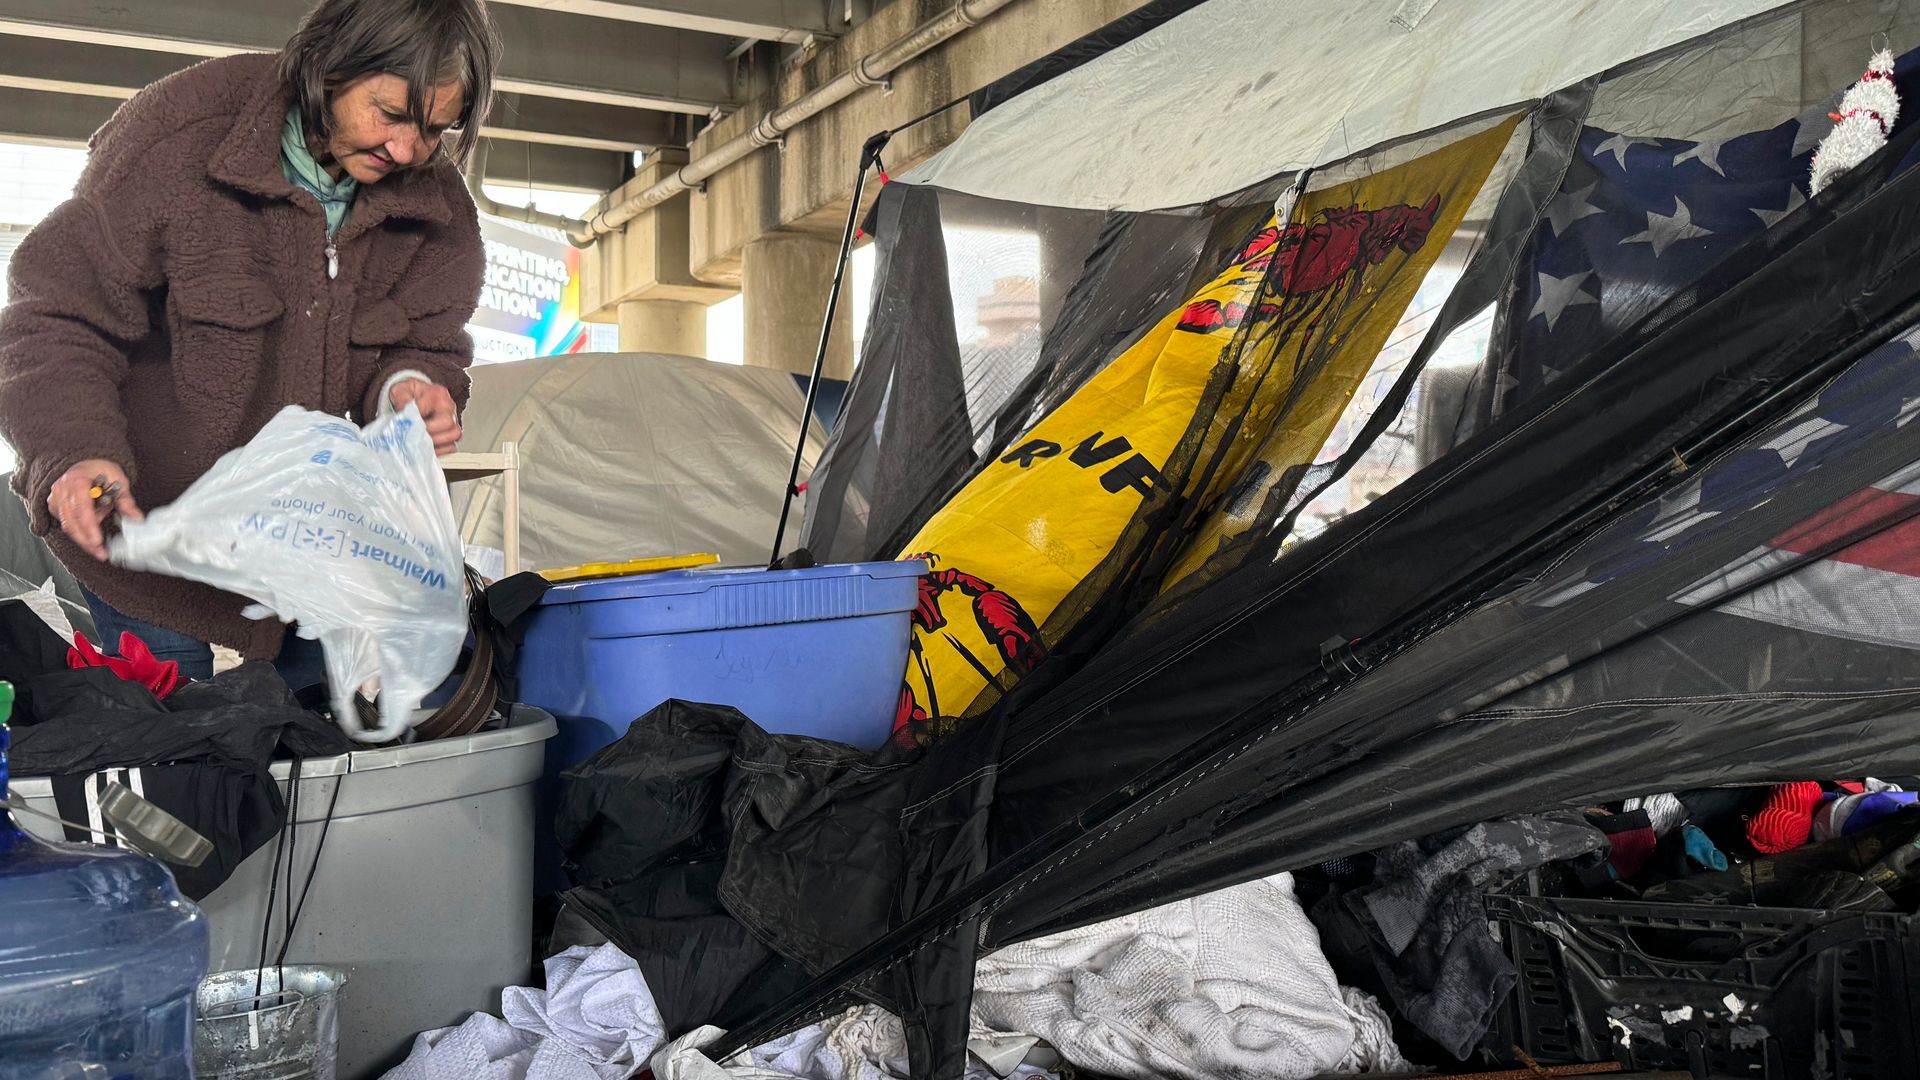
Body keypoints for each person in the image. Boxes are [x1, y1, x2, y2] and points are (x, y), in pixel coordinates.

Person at [0, 0, 499, 688]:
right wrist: (75, 452)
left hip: (301, 562)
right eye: (391, 114)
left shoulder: (439, 210)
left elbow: (430, 342)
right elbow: (56, 317)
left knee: (310, 763)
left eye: (436, 130)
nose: (409, 150)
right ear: (328, 66)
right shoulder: (177, 138)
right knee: (181, 765)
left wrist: (406, 388)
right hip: (150, 546)